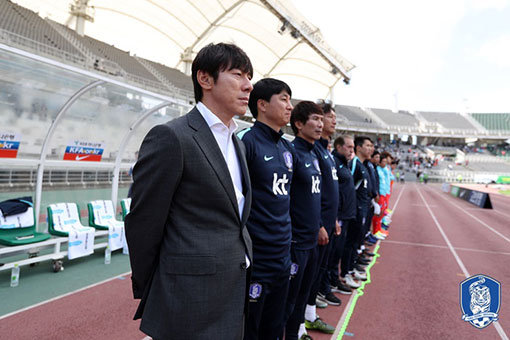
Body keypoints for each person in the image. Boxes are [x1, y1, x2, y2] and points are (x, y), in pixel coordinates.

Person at [125, 43, 254, 340]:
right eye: (237, 74)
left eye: (249, 76)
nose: (248, 85)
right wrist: (157, 285)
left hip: (233, 287)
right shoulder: (172, 136)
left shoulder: (238, 143)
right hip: (188, 296)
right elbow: (144, 220)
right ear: (205, 80)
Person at [237, 78, 294, 340]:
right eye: (283, 99)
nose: (290, 106)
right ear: (262, 104)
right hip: (256, 258)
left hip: (282, 255)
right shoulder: (245, 142)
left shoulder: (286, 148)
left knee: (275, 326)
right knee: (250, 329)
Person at [284, 101, 323, 340]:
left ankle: (298, 331)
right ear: (299, 124)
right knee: (289, 297)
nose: (320, 124)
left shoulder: (313, 153)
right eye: (315, 119)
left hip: (311, 239)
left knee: (303, 292)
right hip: (296, 242)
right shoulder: (293, 153)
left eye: (322, 119)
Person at [304, 103, 340, 335]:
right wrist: (318, 224)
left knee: (317, 272)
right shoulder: (313, 150)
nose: (332, 122)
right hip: (315, 226)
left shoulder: (324, 151)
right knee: (308, 275)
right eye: (328, 117)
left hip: (327, 221)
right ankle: (303, 320)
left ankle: (308, 315)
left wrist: (333, 219)